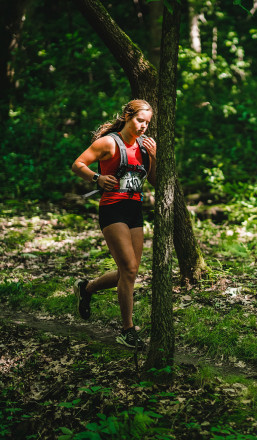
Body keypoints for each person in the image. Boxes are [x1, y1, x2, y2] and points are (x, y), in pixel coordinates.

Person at [71, 99, 157, 350]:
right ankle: (127, 330)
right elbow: (77, 164)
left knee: (128, 273)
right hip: (112, 209)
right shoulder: (109, 142)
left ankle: (87, 289)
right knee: (129, 269)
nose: (143, 126)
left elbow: (154, 180)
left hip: (134, 210)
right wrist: (97, 178)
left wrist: (153, 155)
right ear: (128, 117)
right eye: (140, 120)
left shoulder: (145, 146)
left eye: (147, 123)